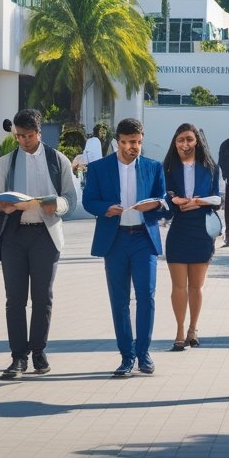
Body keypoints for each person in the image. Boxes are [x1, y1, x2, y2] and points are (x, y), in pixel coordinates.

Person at [0, 109, 78, 378]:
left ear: (39, 133)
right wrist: (1, 206)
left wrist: (55, 205)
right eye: (19, 136)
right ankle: (18, 357)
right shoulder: (6, 162)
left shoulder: (57, 159)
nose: (23, 141)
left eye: (28, 135)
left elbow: (70, 200)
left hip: (45, 235)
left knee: (42, 297)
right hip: (14, 235)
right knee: (14, 299)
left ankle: (38, 351)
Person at [82, 117, 168, 376]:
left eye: (138, 142)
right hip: (115, 239)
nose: (134, 147)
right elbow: (89, 200)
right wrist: (105, 209)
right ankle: (126, 356)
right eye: (129, 142)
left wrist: (155, 205)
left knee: (146, 296)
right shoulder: (99, 168)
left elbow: (164, 201)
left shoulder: (154, 167)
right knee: (119, 300)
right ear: (118, 142)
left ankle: (143, 354)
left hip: (144, 237)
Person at [162, 123, 222, 351]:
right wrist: (174, 201)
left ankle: (193, 329)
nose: (185, 144)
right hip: (178, 229)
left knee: (196, 286)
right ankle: (179, 330)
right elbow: (163, 199)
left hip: (201, 229)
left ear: (196, 141)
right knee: (178, 286)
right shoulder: (167, 168)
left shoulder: (210, 167)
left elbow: (218, 199)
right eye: (180, 140)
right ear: (175, 143)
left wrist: (198, 202)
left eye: (189, 139)